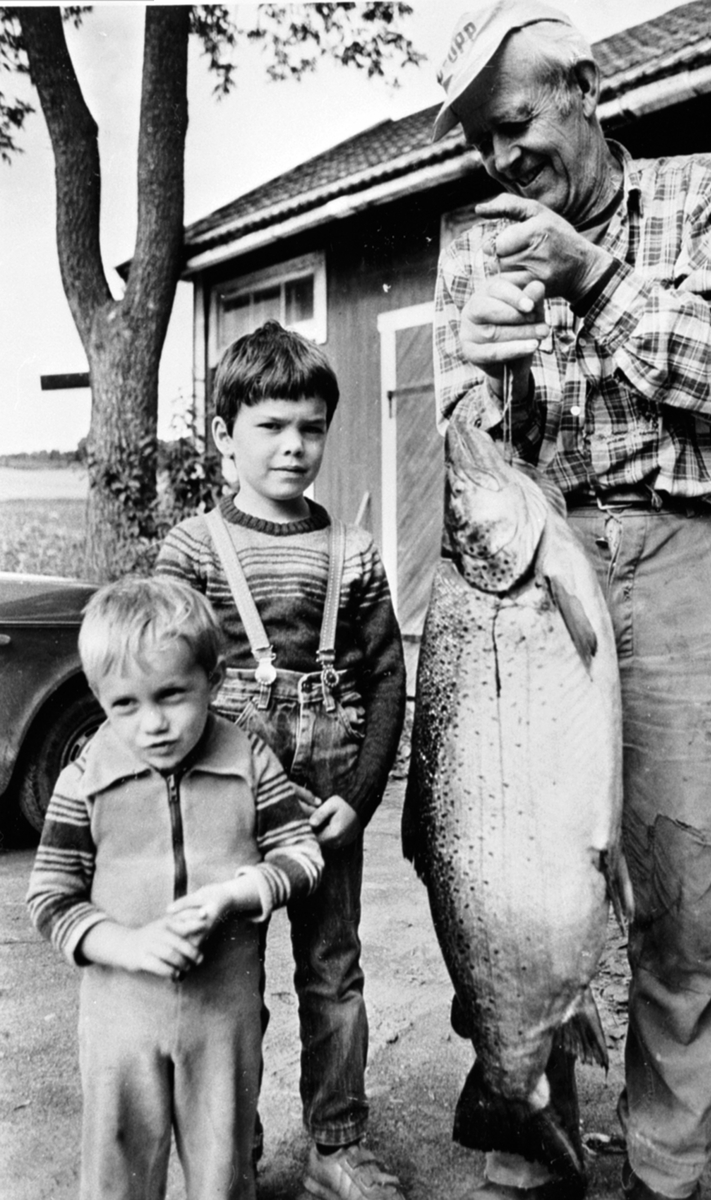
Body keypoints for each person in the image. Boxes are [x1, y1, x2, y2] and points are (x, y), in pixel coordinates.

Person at [429, 3, 711, 1200]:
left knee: (683, 884)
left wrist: (595, 278)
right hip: (534, 558)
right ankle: (531, 1108)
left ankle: (665, 1169)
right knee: (531, 859)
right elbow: (458, 444)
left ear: (582, 87)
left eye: (512, 122)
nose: (496, 158)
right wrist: (474, 372)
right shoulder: (473, 241)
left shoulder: (707, 190)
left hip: (681, 554)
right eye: (477, 140)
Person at [155, 320, 408, 1200]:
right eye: (271, 426)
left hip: (331, 785)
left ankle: (336, 1146)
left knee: (334, 971)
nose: (294, 446)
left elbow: (385, 680)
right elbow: (170, 677)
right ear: (226, 436)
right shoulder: (192, 550)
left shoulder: (354, 554)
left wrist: (363, 796)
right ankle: (233, 1154)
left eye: (310, 427)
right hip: (229, 780)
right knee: (231, 980)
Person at [26, 576, 324, 1200]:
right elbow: (50, 899)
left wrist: (241, 894)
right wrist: (129, 946)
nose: (153, 724)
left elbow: (303, 854)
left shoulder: (250, 762)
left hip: (224, 1016)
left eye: (171, 695)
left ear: (213, 681)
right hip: (119, 1019)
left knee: (223, 1172)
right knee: (118, 1172)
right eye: (124, 705)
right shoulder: (85, 781)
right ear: (99, 699)